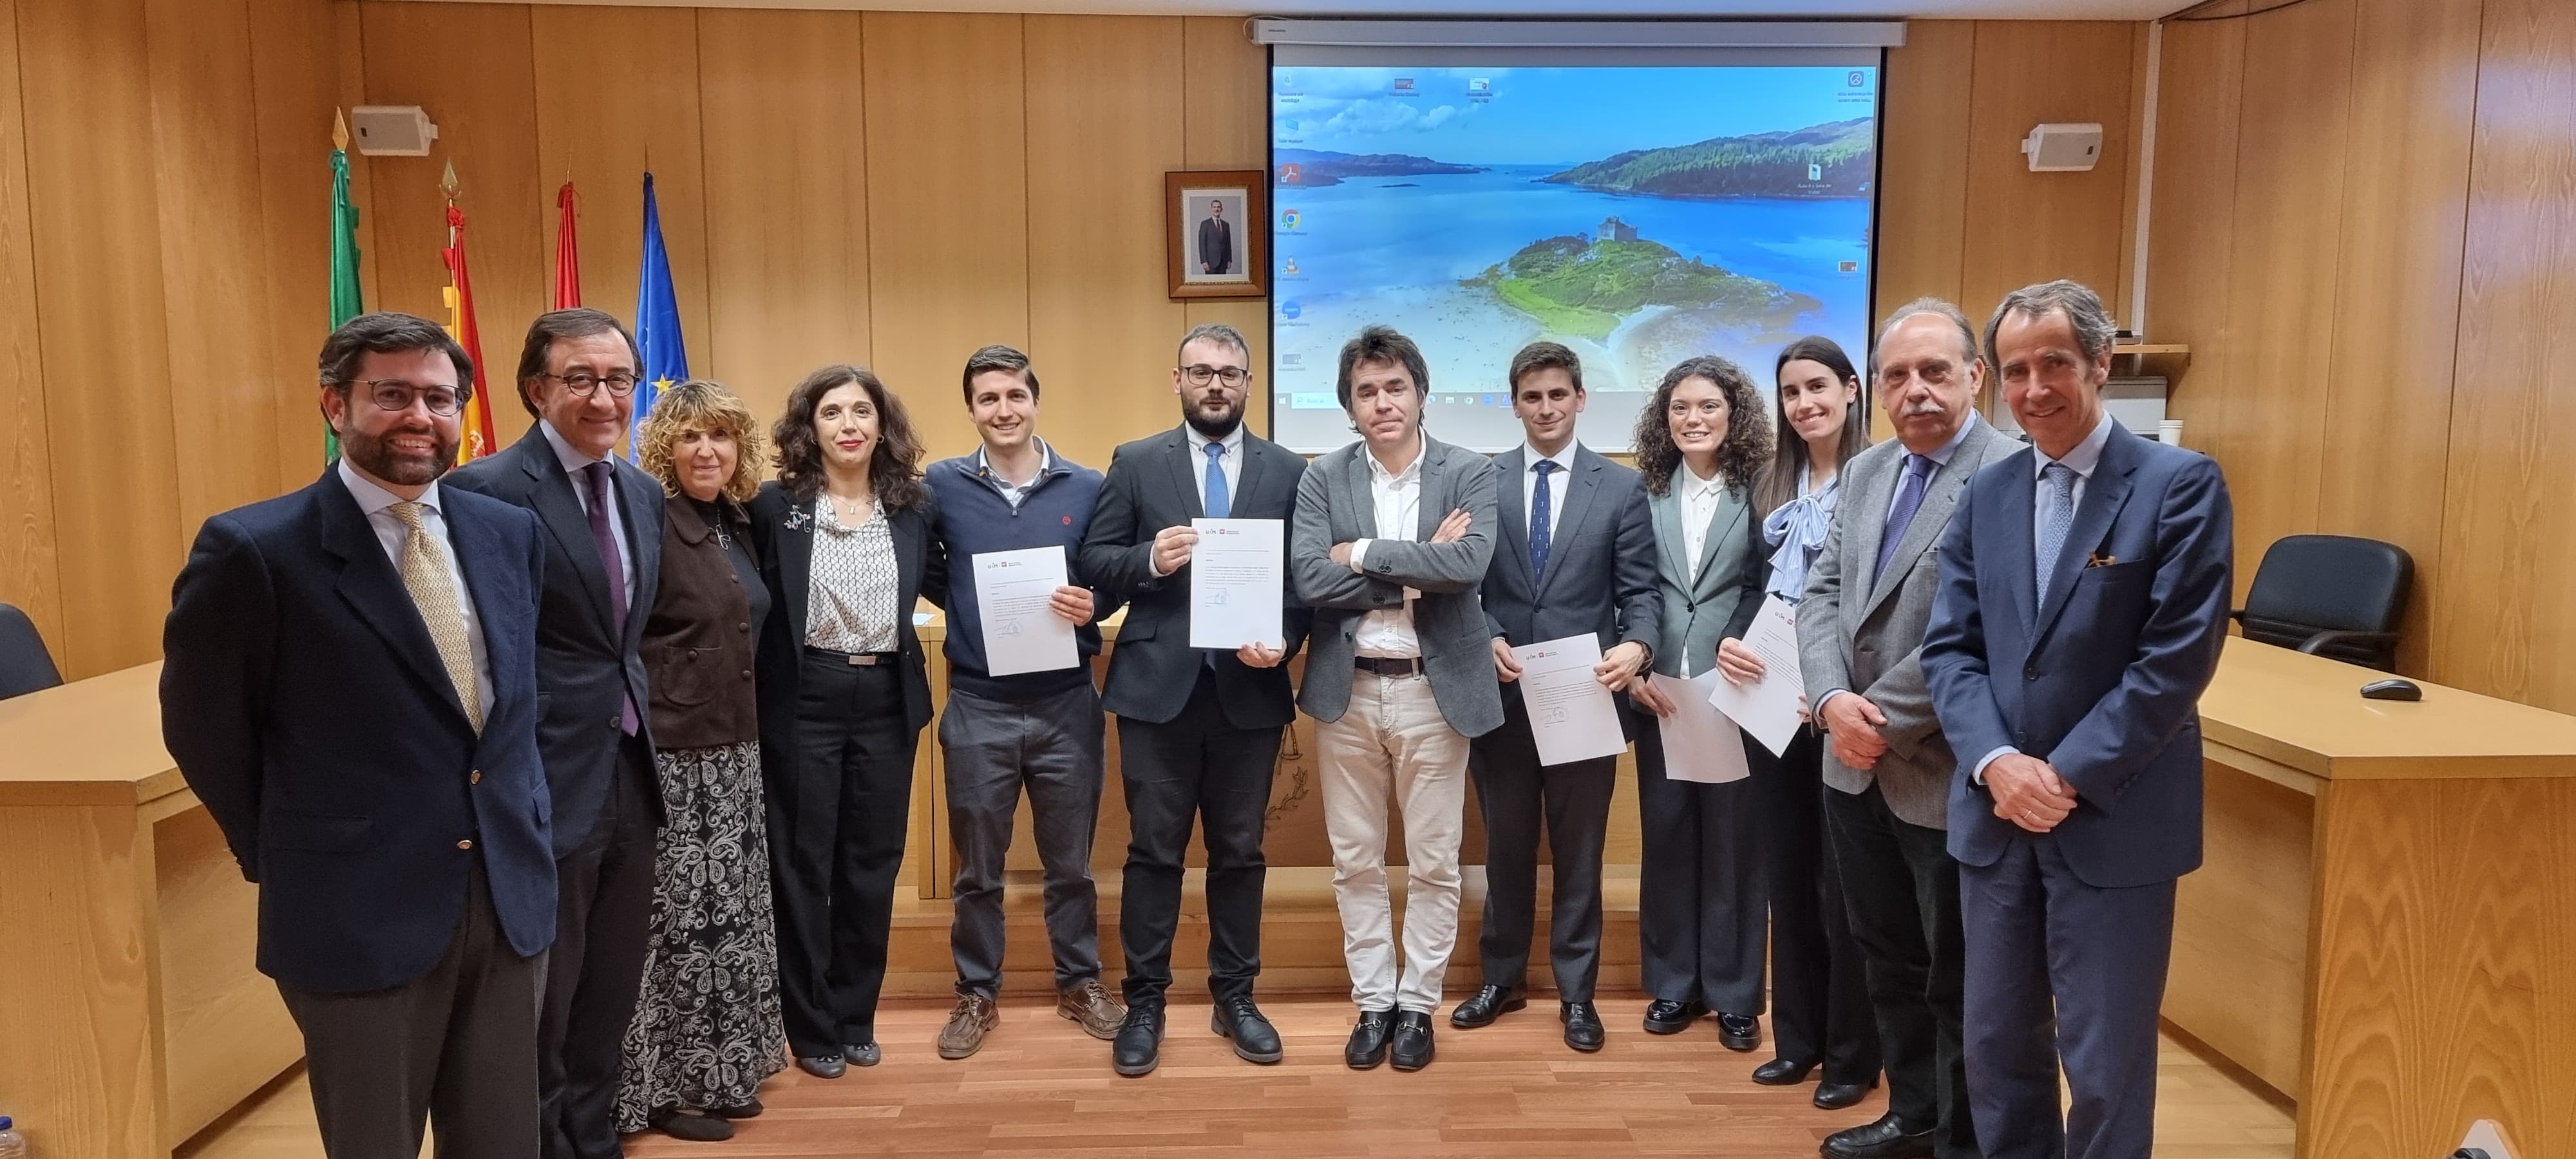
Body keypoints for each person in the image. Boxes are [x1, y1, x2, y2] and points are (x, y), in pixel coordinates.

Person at [163, 312, 552, 1157]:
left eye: (441, 398)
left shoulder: (508, 533)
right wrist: (287, 850)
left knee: (503, 1142)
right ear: (334, 406)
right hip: (356, 911)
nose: (421, 416)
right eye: (393, 394)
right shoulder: (255, 551)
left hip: (507, 897)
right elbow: (205, 730)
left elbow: (511, 707)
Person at [1922, 279, 2233, 1159]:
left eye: (2054, 363)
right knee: (1996, 1053)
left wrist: (2061, 775)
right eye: (2015, 370)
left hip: (2110, 821)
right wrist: (1996, 764)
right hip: (1996, 818)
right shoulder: (1986, 495)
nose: (2033, 389)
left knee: (2104, 1067)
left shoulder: (2179, 485)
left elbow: (2175, 661)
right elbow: (1952, 652)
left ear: (2100, 362)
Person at [1796, 305, 2018, 1159]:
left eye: (1934, 371)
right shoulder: (1866, 471)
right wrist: (1827, 702)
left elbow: (1986, 628)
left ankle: (1965, 1140)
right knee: (1887, 958)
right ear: (1876, 387)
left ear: (1975, 376)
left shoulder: (2011, 474)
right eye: (1897, 375)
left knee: (1960, 976)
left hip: (1944, 768)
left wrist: (1875, 719)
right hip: (1851, 766)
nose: (1915, 390)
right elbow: (1821, 594)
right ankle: (1913, 1116)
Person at [446, 308, 665, 1159]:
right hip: (538, 775)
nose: (603, 397)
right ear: (536, 389)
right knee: (542, 993)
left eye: (618, 379)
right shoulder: (485, 490)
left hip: (629, 767)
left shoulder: (642, 491)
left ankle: (594, 1135)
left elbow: (621, 641)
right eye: (580, 378)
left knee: (609, 986)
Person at [1079, 323, 1311, 1077]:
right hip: (1157, 693)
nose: (1216, 385)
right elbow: (1096, 561)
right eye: (1202, 372)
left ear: (1249, 385)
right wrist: (1148, 559)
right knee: (1152, 854)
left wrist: (1283, 636)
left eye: (1230, 374)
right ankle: (1144, 1003)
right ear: (1176, 379)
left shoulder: (1286, 470)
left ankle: (1235, 998)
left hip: (1248, 691)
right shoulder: (1138, 462)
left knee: (1241, 854)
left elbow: (1301, 583)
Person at [1292, 325, 1502, 1074]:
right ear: (1349, 407)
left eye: (1394, 387)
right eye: (1365, 392)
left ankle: (1418, 1004)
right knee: (1354, 859)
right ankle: (1372, 1001)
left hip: (1432, 691)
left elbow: (1470, 564)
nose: (1381, 403)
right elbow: (1309, 580)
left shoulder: (1470, 472)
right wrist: (1416, 572)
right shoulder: (1323, 478)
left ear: (1420, 393)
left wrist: (1365, 553)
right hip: (1348, 694)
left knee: (1435, 860)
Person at [1448, 341, 1657, 1053]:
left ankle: (1577, 994)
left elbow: (1640, 595)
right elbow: (1463, 585)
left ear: (1579, 399)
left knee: (1580, 854)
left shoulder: (1622, 489)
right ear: (1514, 403)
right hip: (1502, 698)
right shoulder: (1481, 481)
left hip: (1585, 701)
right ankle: (1500, 980)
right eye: (1532, 397)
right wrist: (1488, 634)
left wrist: (1639, 648)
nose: (1545, 408)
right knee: (1504, 849)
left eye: (1558, 395)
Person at [921, 344, 1126, 1060]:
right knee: (977, 867)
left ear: (1034, 400)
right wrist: (973, 612)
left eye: (1014, 396)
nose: (1002, 410)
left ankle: (1080, 984)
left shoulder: (1088, 485)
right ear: (971, 410)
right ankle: (976, 994)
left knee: (1069, 863)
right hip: (978, 702)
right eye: (987, 400)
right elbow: (924, 567)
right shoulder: (940, 485)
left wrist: (1095, 602)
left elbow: (1109, 569)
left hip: (1068, 701)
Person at [748, 364, 938, 1080]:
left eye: (862, 411)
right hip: (805, 697)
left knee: (871, 864)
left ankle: (857, 1015)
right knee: (803, 865)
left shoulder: (914, 507)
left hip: (887, 698)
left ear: (882, 425)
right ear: (811, 427)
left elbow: (959, 586)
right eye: (832, 413)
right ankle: (812, 1024)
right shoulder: (775, 507)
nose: (849, 424)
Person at [614, 380, 786, 1142]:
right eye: (689, 438)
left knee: (731, 921)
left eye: (720, 436)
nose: (706, 451)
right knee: (676, 928)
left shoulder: (734, 524)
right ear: (663, 449)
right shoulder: (648, 524)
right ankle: (658, 1094)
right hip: (675, 759)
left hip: (737, 752)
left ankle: (723, 1074)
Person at [1741, 336, 1884, 1113]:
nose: (1805, 404)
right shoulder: (1771, 481)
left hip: (1840, 707)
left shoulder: (1881, 478)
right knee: (1786, 877)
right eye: (1791, 392)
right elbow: (1747, 588)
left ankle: (1852, 1055)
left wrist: (1832, 689)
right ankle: (1796, 1041)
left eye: (1818, 387)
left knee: (1844, 887)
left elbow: (1876, 606)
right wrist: (1734, 644)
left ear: (1853, 390)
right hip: (1769, 703)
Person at [1622, 355, 1770, 1052]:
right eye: (1680, 408)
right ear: (1663, 418)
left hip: (1738, 690)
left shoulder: (1763, 491)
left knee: (1737, 847)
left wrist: (1738, 649)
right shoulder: (1642, 492)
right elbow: (1627, 588)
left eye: (1708, 406)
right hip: (1660, 694)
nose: (1693, 419)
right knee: (1669, 839)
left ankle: (1737, 996)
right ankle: (1674, 986)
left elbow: (1766, 585)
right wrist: (1634, 668)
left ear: (1734, 414)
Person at [1197, 199, 1233, 276]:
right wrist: (1204, 261)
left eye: (1218, 207)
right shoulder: (1205, 224)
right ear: (1211, 209)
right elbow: (1202, 244)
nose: (1217, 209)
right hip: (1210, 263)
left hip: (1223, 262)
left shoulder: (1226, 225)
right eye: (1214, 207)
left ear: (1221, 209)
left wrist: (1229, 260)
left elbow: (1228, 244)